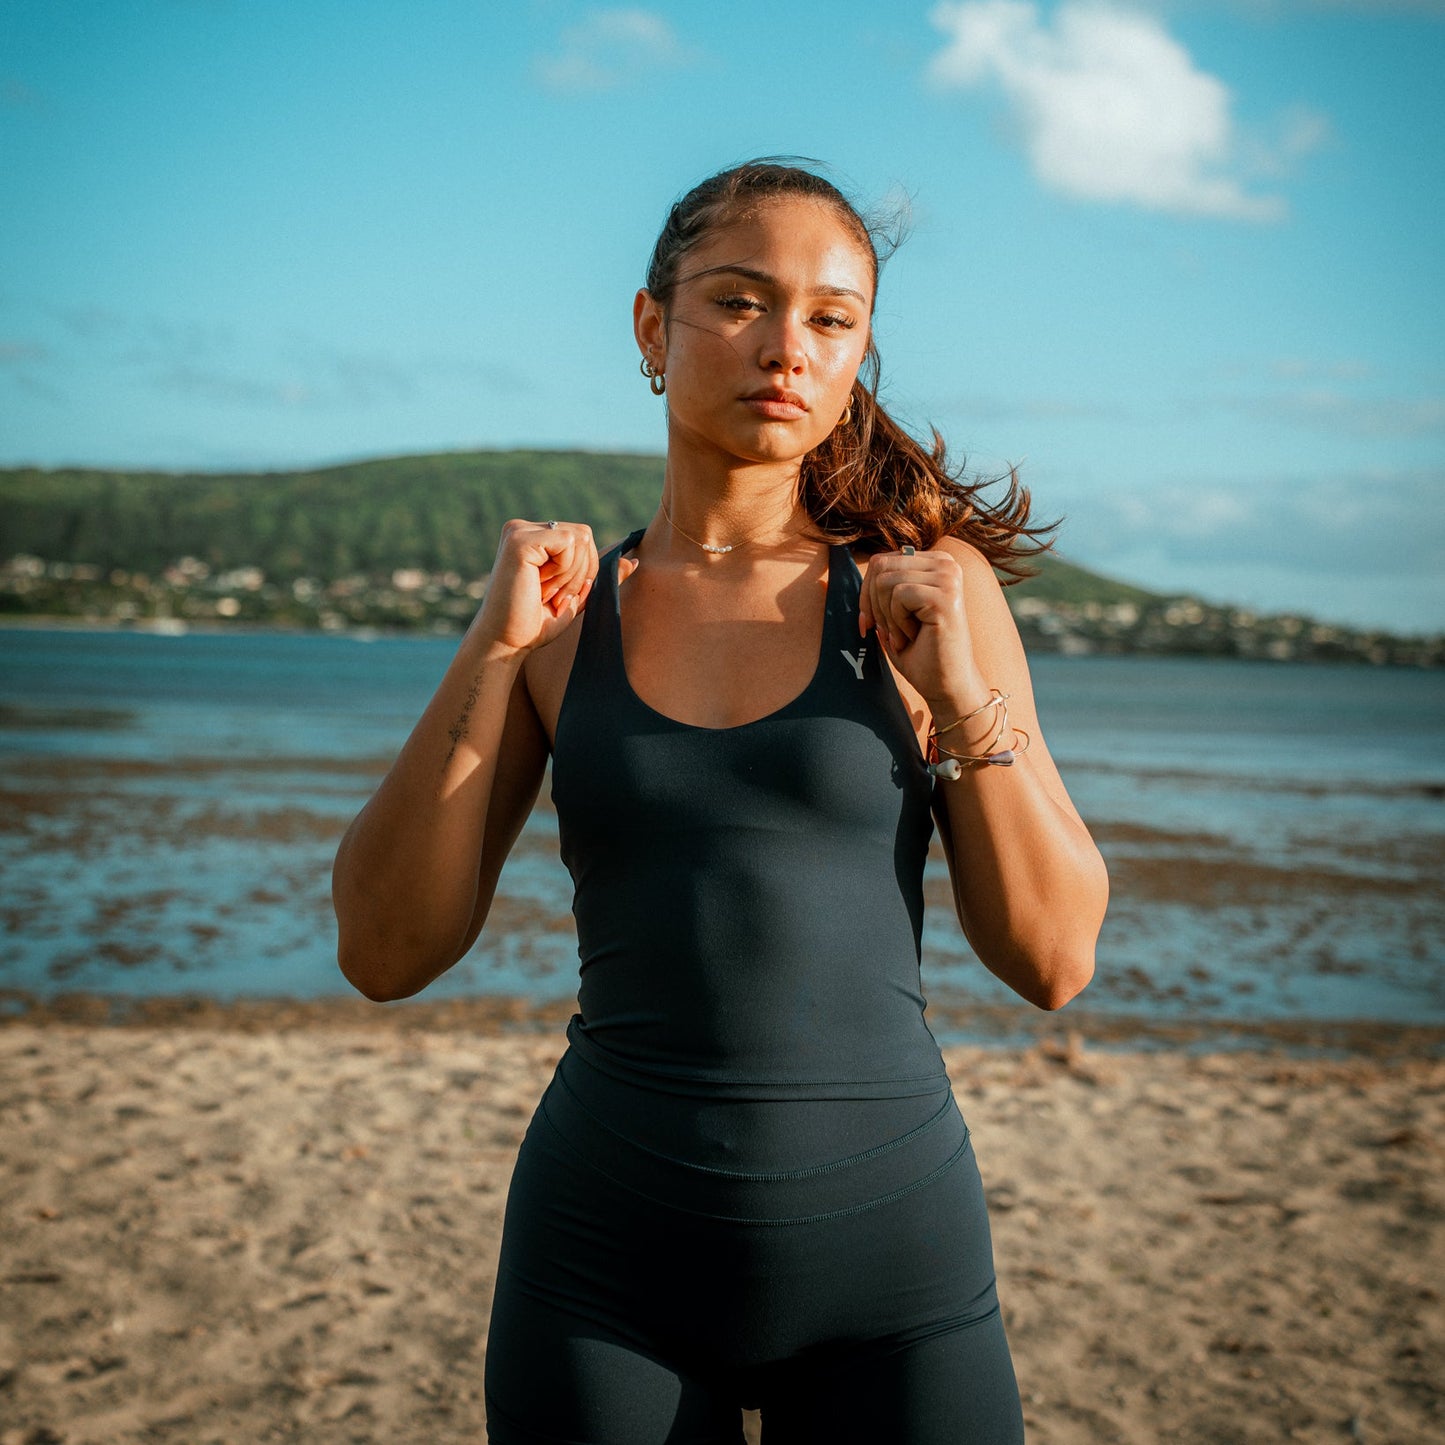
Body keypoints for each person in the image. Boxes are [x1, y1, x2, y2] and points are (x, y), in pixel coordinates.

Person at [332, 159, 1109, 1444]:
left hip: (894, 1281)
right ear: (652, 326)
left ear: (860, 348)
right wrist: (489, 645)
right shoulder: (562, 617)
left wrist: (959, 689)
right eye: (740, 301)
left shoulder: (923, 595)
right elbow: (382, 949)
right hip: (600, 1275)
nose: (785, 349)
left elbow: (1053, 955)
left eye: (829, 318)